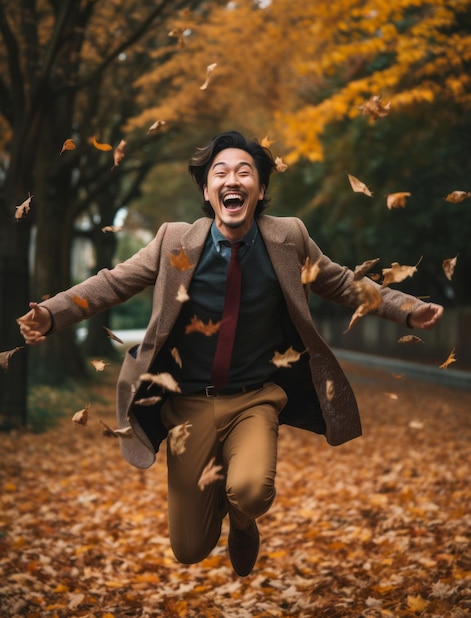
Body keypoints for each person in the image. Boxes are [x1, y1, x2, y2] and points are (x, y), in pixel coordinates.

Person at [18, 130, 443, 577]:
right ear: (207, 190)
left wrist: (408, 310)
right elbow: (112, 282)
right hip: (187, 407)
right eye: (220, 172)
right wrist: (51, 313)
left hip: (254, 398)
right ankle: (218, 507)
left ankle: (243, 524)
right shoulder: (173, 242)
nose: (232, 179)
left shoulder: (288, 238)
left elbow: (339, 282)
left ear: (260, 191)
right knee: (189, 548)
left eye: (245, 172)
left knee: (252, 491)